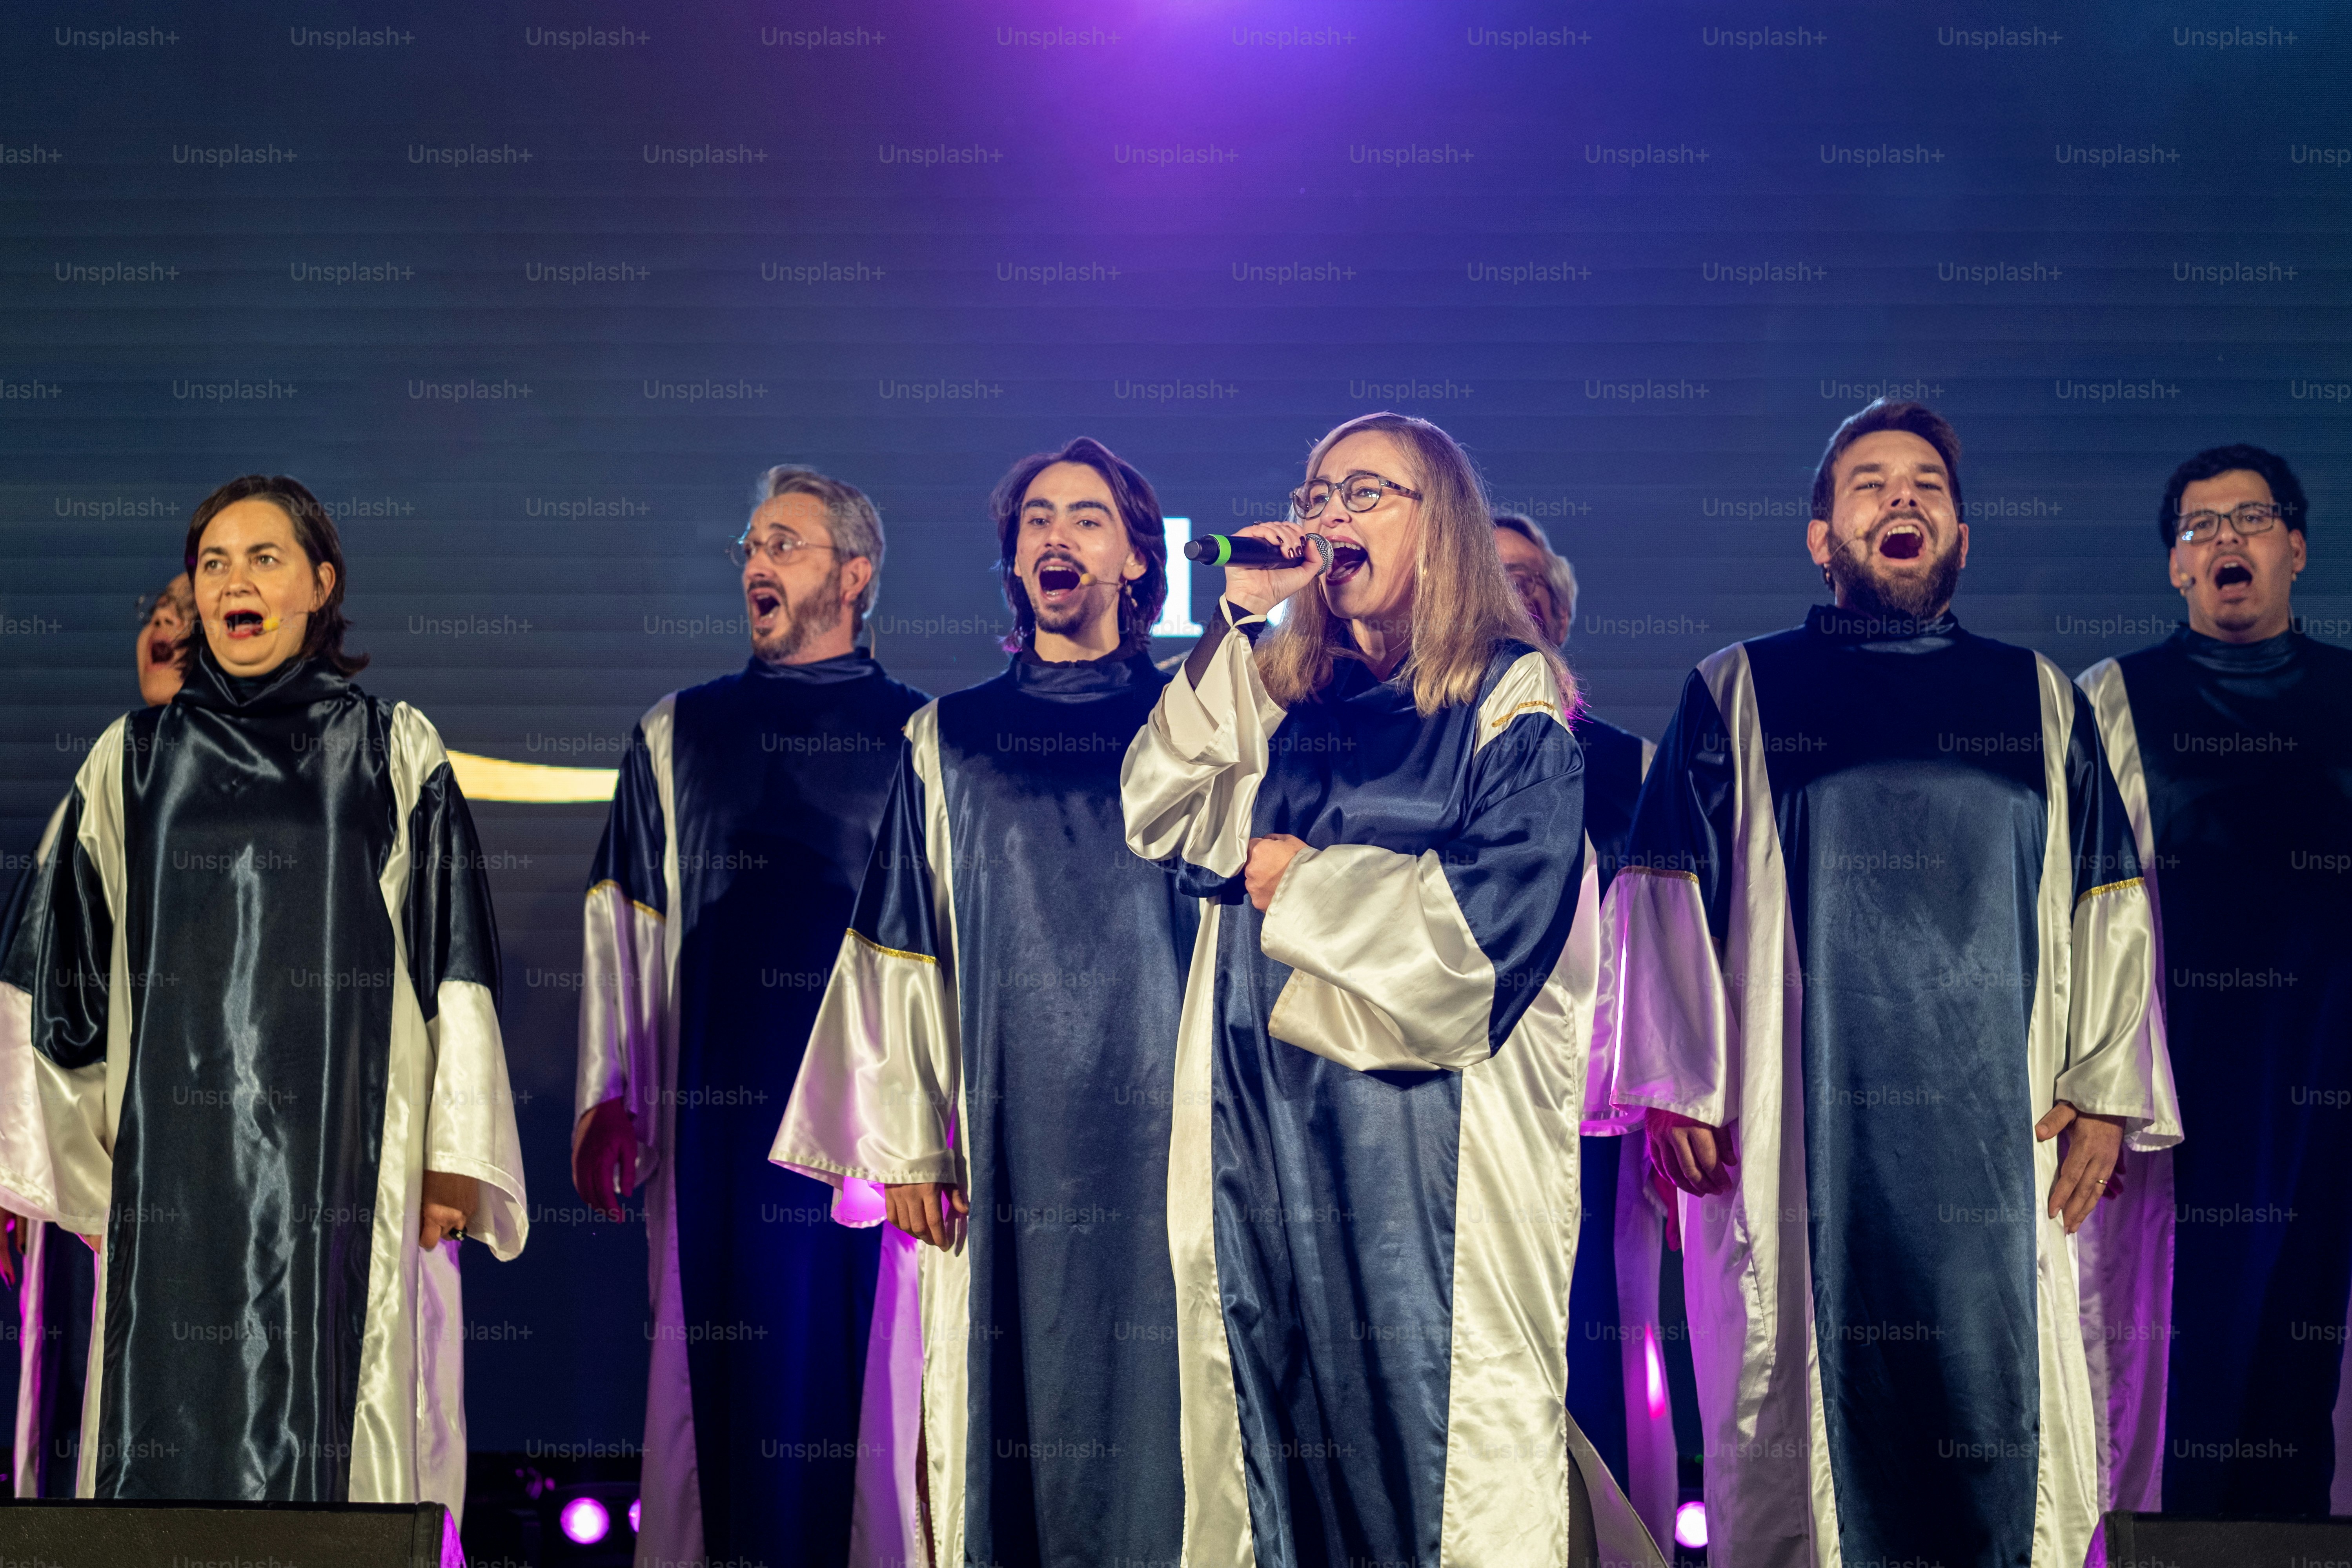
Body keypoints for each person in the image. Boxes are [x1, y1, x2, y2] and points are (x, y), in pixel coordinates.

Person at [1605, 400, 2176, 1566]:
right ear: (1822, 537)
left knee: (2005, 1416)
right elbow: (1665, 891)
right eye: (1868, 483)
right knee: (1794, 1419)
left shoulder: (2041, 697)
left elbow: (2108, 900)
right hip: (1791, 1134)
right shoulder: (1736, 688)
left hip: (2004, 1133)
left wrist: (2105, 1089)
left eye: (1926, 483)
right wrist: (1672, 1085)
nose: (1901, 497)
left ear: (1961, 534)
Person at [1122, 412, 1659, 1567]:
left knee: (1441, 1443)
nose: (1328, 515)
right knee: (1276, 1434)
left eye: (1365, 492)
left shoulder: (1509, 693)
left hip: (1429, 1144)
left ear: (1442, 523)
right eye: (1316, 493)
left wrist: (1305, 886)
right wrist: (1237, 616)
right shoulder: (1278, 687)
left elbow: (1489, 930)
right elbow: (1161, 812)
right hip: (1260, 1127)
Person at [0, 474, 528, 1507]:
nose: (233, 580)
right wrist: (67, 1172)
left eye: (263, 558)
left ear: (321, 585)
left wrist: (454, 1158)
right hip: (174, 1180)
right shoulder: (130, 761)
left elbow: (453, 961)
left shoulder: (390, 749)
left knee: (347, 1440)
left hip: (348, 1168)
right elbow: (57, 979)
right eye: (213, 563)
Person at [775, 437, 1194, 1568]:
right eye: (1036, 519)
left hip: (1170, 1126)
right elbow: (898, 936)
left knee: (1174, 1402)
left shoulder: (1195, 724)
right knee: (1001, 1403)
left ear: (1137, 558)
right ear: (1014, 559)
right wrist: (905, 1142)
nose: (1058, 535)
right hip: (1006, 1131)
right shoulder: (948, 735)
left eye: (1089, 517)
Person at [572, 464, 927, 1568]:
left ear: (855, 575)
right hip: (713, 1130)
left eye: (784, 543)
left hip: (871, 1145)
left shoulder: (923, 739)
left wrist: (936, 1128)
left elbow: (947, 951)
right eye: (750, 547)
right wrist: (609, 1092)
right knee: (713, 1386)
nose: (755, 564)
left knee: (870, 1396)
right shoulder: (677, 732)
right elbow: (623, 918)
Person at [2075, 443, 2352, 1516]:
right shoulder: (2114, 700)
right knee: (2186, 1360)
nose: (2225, 539)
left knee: (2309, 1357)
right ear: (2176, 568)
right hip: (2179, 1095)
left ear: (2295, 548)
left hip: (2330, 1079)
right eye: (2199, 527)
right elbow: (2075, 912)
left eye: (2250, 519)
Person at [1496, 513, 1679, 1544]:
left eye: (1529, 580)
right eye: (1488, 575)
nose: (1510, 595)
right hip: (1460, 1111)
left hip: (1595, 1119)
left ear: (1560, 613)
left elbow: (1672, 953)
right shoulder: (1409, 750)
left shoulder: (1634, 767)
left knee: (1600, 1346)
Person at [0, 572, 192, 1497]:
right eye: (159, 609)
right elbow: (33, 977)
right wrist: (15, 1167)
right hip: (116, 1170)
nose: (168, 623)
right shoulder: (111, 778)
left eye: (189, 612)